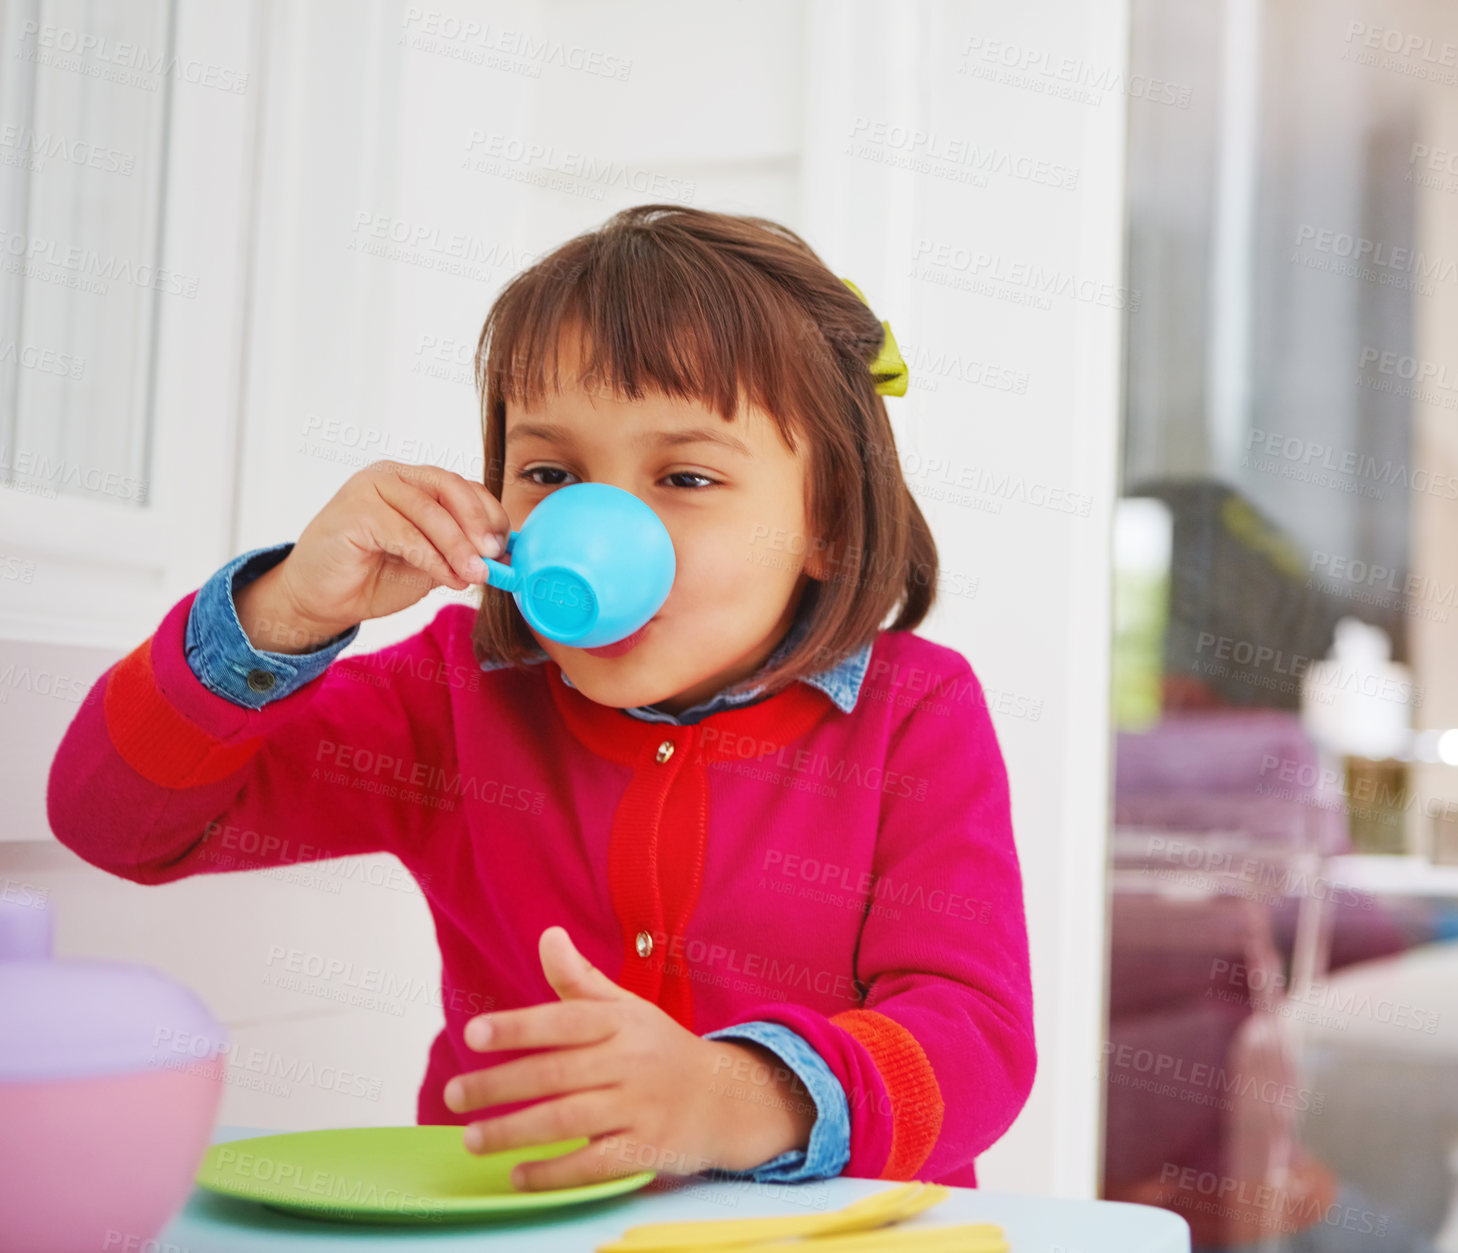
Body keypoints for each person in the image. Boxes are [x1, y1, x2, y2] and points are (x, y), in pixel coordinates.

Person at [46, 204, 1035, 1192]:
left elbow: (975, 1038)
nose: (592, 527)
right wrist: (285, 609)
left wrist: (726, 1094)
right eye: (550, 472)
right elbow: (116, 821)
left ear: (825, 522)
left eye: (684, 475)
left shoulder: (914, 713)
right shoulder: (451, 693)